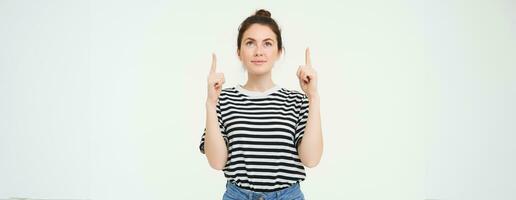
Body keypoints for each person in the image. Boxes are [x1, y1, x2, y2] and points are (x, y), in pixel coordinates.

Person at [199, 9, 323, 200]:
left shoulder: (297, 101)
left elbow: (311, 159)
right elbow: (216, 162)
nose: (259, 51)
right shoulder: (223, 99)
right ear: (239, 52)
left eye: (267, 43)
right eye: (250, 43)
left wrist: (313, 97)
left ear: (279, 51)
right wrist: (210, 103)